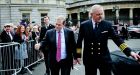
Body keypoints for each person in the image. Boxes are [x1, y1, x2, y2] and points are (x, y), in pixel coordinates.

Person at [76, 4, 140, 75]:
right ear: (91, 14)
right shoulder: (84, 25)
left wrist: (130, 52)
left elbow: (117, 40)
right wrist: (78, 56)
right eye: (98, 14)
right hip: (89, 59)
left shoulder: (107, 25)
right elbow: (79, 42)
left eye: (102, 14)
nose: (101, 16)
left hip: (104, 59)